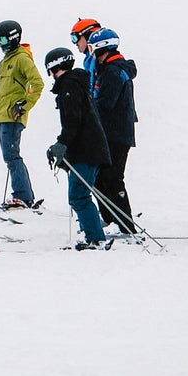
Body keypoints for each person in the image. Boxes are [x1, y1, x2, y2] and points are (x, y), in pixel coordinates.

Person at [42, 46, 112, 250]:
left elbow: (74, 121)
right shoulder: (74, 84)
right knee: (79, 194)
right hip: (87, 149)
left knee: (78, 196)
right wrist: (62, 146)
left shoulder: (70, 86)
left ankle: (95, 239)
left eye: (50, 70)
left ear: (55, 67)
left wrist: (62, 144)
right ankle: (92, 235)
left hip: (87, 151)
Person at [0, 19, 44, 210]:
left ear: (12, 38)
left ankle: (23, 197)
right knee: (10, 156)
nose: (0, 45)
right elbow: (0, 91)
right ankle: (24, 196)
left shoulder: (22, 59)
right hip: (0, 117)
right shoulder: (5, 62)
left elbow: (37, 84)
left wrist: (23, 105)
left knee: (11, 156)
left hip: (12, 117)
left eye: (2, 40)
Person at [84, 26, 138, 234]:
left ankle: (125, 225)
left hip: (116, 133)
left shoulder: (114, 71)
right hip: (110, 132)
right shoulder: (107, 69)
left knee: (113, 178)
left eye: (92, 49)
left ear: (102, 49)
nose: (90, 54)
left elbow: (105, 103)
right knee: (100, 178)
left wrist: (86, 109)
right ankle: (110, 219)